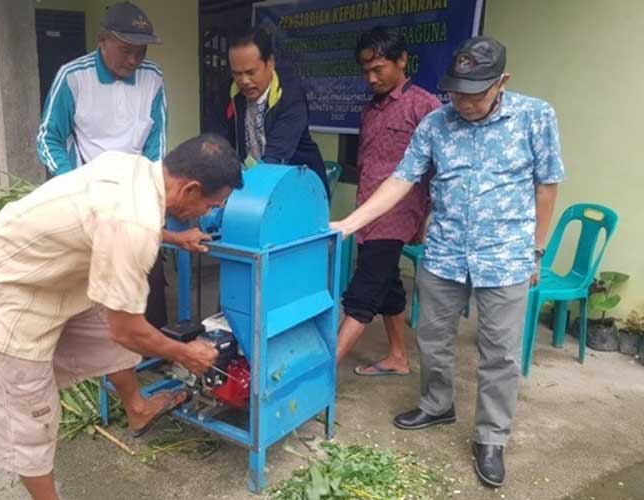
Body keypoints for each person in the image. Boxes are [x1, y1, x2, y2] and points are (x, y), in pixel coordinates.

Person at [0, 134, 243, 500]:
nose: (207, 213)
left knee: (111, 330)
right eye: (210, 205)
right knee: (33, 417)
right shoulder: (133, 224)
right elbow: (128, 330)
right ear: (190, 189)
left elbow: (114, 221)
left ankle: (137, 409)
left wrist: (173, 237)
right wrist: (186, 353)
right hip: (7, 293)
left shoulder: (137, 169)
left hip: (49, 274)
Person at [331, 37, 564, 488]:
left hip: (504, 257)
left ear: (502, 82)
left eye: (475, 92)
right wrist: (350, 222)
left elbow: (547, 186)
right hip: (444, 254)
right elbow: (402, 179)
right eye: (457, 91)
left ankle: (491, 437)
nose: (465, 102)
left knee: (498, 353)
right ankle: (438, 404)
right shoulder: (436, 123)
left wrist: (536, 251)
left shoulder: (536, 116)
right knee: (434, 339)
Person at [36, 1, 207, 330]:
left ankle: (151, 343)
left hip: (136, 190)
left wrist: (150, 191)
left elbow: (157, 140)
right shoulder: (73, 77)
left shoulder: (152, 77)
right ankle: (100, 348)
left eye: (140, 51)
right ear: (103, 40)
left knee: (146, 268)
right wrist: (75, 185)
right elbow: (48, 138)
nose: (133, 60)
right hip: (89, 194)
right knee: (95, 283)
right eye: (126, 50)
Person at [335, 27, 440, 376]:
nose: (371, 77)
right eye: (365, 70)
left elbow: (438, 170)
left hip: (398, 216)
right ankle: (398, 357)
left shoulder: (426, 107)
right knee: (388, 284)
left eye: (378, 68)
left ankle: (319, 376)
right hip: (368, 212)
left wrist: (424, 219)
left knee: (363, 292)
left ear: (402, 60)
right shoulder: (370, 110)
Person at [226, 27, 329, 197]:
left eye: (251, 72)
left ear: (270, 63)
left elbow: (275, 157)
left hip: (301, 186)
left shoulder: (291, 97)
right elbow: (225, 141)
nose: (244, 81)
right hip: (257, 180)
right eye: (237, 73)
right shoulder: (233, 92)